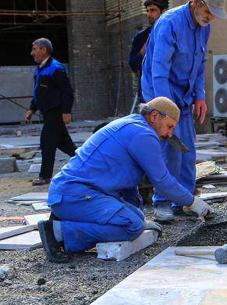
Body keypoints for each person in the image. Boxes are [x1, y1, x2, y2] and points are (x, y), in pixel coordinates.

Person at [37, 97, 214, 263]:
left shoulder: (132, 126)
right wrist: (192, 202)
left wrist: (138, 215)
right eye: (169, 126)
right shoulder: (144, 135)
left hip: (77, 193)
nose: (169, 134)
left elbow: (129, 184)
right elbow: (162, 181)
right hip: (74, 194)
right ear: (154, 116)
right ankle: (58, 232)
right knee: (131, 227)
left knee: (136, 219)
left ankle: (67, 219)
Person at [141, 0, 227, 223]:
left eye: (214, 15)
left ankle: (185, 201)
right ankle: (162, 203)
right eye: (208, 12)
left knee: (187, 149)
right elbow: (159, 70)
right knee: (170, 148)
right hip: (161, 91)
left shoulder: (204, 27)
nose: (210, 18)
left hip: (184, 95)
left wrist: (200, 96)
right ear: (197, 2)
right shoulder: (169, 23)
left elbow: (199, 64)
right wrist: (164, 109)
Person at [24, 38, 76, 186]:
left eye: (34, 49)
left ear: (44, 50)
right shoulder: (40, 69)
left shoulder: (55, 68)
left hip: (56, 111)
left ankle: (45, 176)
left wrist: (66, 112)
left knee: (47, 142)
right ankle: (88, 161)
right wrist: (32, 109)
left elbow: (67, 92)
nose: (32, 52)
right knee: (64, 144)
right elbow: (38, 92)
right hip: (47, 112)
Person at [128, 0, 169, 106]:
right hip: (148, 95)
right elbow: (133, 65)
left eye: (153, 10)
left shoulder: (174, 34)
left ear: (164, 11)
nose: (149, 14)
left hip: (171, 92)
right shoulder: (141, 37)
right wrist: (143, 51)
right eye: (148, 11)